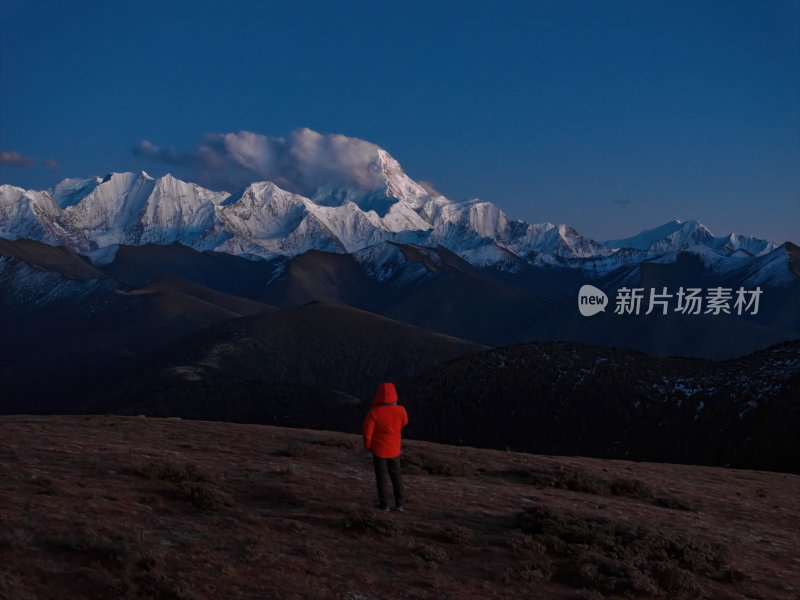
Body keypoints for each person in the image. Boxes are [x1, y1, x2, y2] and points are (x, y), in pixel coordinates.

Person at [362, 382, 408, 511]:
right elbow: (405, 422)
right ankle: (400, 504)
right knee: (396, 475)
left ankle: (385, 505)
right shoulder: (401, 410)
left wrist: (368, 446)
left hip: (379, 449)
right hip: (394, 449)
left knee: (382, 477)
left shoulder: (374, 412)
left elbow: (367, 433)